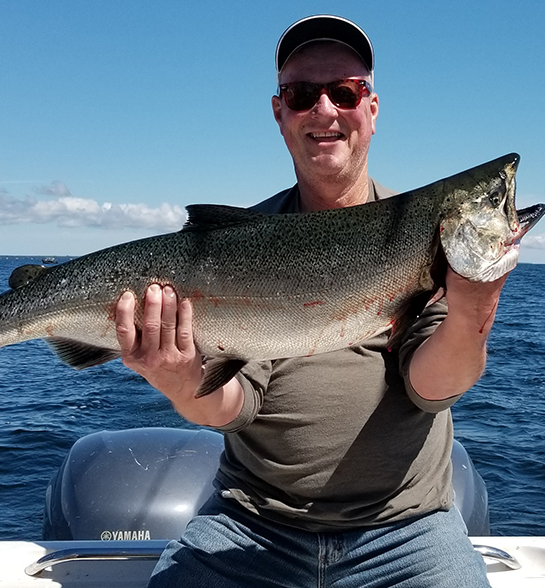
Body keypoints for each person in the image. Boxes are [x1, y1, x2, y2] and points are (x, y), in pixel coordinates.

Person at [115, 15, 504, 588]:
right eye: (302, 95)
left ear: (371, 109)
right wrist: (178, 379)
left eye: (344, 93)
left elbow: (430, 388)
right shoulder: (250, 241)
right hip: (251, 526)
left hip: (408, 531)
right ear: (280, 113)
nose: (325, 111)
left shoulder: (422, 233)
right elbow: (233, 406)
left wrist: (473, 311)